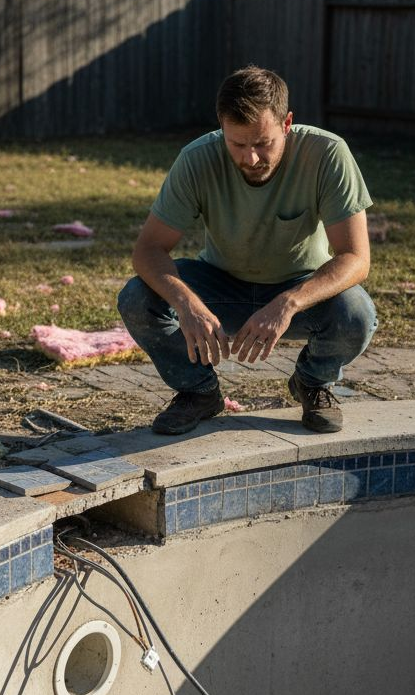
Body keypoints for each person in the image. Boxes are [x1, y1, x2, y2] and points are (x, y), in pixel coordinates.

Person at [117, 65, 377, 435]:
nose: (250, 158)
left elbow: (355, 258)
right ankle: (199, 392)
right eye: (237, 144)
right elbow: (148, 251)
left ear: (287, 123)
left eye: (262, 143)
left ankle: (312, 382)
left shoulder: (328, 153)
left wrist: (288, 303)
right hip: (221, 287)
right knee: (137, 298)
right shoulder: (196, 159)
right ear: (221, 126)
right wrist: (188, 306)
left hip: (302, 291)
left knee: (357, 314)